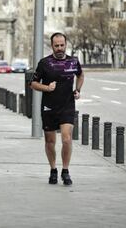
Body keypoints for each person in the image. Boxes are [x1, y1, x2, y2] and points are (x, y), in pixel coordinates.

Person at [29, 32, 84, 185]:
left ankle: (65, 171)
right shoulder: (44, 63)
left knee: (67, 139)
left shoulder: (73, 61)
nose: (60, 48)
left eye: (62, 45)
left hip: (67, 106)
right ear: (52, 46)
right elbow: (33, 84)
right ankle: (53, 169)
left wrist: (78, 90)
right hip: (49, 107)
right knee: (50, 141)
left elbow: (80, 75)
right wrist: (47, 87)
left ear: (66, 45)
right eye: (56, 46)